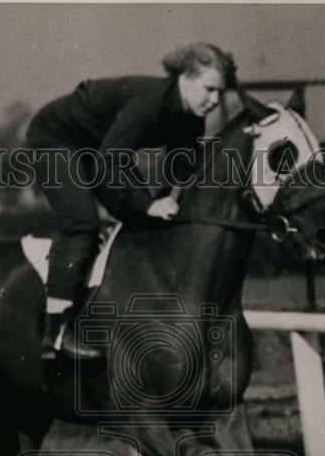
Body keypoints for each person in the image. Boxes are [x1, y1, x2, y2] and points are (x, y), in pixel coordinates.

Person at [26, 42, 237, 358]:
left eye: (220, 92)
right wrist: (148, 204)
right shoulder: (149, 102)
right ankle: (55, 332)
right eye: (209, 90)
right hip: (58, 139)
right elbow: (108, 162)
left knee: (146, 221)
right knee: (82, 224)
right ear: (186, 78)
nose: (215, 100)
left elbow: (180, 173)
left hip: (101, 148)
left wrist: (167, 208)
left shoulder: (191, 114)